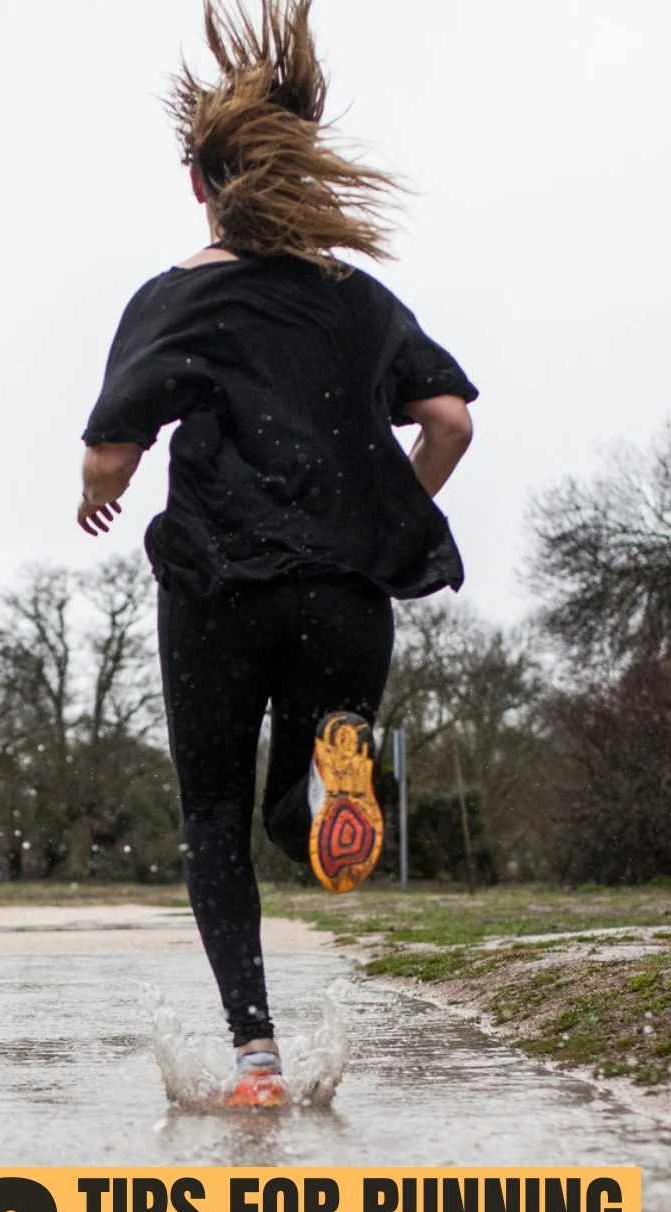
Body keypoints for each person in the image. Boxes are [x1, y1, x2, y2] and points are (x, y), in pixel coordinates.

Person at [78, 0, 477, 1106]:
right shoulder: (360, 301)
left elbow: (113, 445)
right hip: (344, 593)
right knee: (295, 806)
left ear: (199, 185)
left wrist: (92, 492)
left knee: (215, 816)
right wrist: (386, 509)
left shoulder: (176, 298)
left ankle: (255, 1058)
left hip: (217, 580)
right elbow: (448, 422)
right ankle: (338, 766)